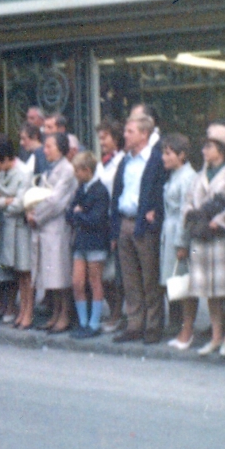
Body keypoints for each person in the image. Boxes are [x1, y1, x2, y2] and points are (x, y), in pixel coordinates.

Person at [180, 124, 225, 358]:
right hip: (201, 237)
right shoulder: (199, 176)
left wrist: (219, 220)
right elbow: (188, 201)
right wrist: (192, 214)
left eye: (209, 146)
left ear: (222, 149)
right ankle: (215, 335)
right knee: (209, 289)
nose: (204, 151)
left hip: (223, 239)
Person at [111, 114, 169, 344]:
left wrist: (154, 217)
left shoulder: (155, 160)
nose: (125, 135)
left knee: (149, 276)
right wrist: (115, 228)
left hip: (144, 223)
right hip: (125, 220)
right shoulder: (125, 160)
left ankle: (153, 325)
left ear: (144, 134)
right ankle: (135, 323)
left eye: (130, 131)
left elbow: (162, 191)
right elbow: (117, 193)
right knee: (130, 278)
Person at [27, 132, 78, 333]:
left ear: (61, 148)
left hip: (57, 227)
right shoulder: (48, 170)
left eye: (49, 146)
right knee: (50, 275)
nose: (45, 150)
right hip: (45, 228)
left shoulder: (67, 170)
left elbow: (56, 201)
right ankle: (56, 313)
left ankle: (65, 314)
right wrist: (31, 210)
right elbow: (38, 195)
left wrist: (36, 215)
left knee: (60, 274)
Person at [0, 134, 32, 327]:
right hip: (10, 227)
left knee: (25, 272)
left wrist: (3, 200)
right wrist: (7, 199)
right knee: (18, 273)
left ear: (5, 158)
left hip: (22, 228)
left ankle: (27, 312)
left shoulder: (23, 172)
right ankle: (22, 310)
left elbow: (20, 204)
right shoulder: (3, 173)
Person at [159, 134, 199, 349]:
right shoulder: (175, 175)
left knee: (184, 283)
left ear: (182, 155)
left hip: (179, 234)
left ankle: (188, 330)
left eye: (168, 153)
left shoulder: (187, 177)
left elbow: (186, 212)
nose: (164, 157)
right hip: (170, 230)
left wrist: (182, 243)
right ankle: (182, 328)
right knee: (175, 282)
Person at [65, 151, 110, 338]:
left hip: (95, 242)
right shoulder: (81, 189)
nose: (75, 174)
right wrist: (79, 213)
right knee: (77, 282)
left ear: (86, 170)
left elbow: (96, 219)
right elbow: (69, 213)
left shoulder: (100, 190)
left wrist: (78, 213)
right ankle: (83, 322)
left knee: (94, 281)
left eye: (77, 170)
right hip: (81, 241)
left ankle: (94, 323)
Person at [95, 118, 125, 332]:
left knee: (115, 273)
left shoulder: (122, 161)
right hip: (100, 222)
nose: (101, 141)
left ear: (116, 138)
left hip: (115, 220)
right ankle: (114, 310)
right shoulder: (102, 162)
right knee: (103, 273)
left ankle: (117, 313)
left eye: (104, 137)